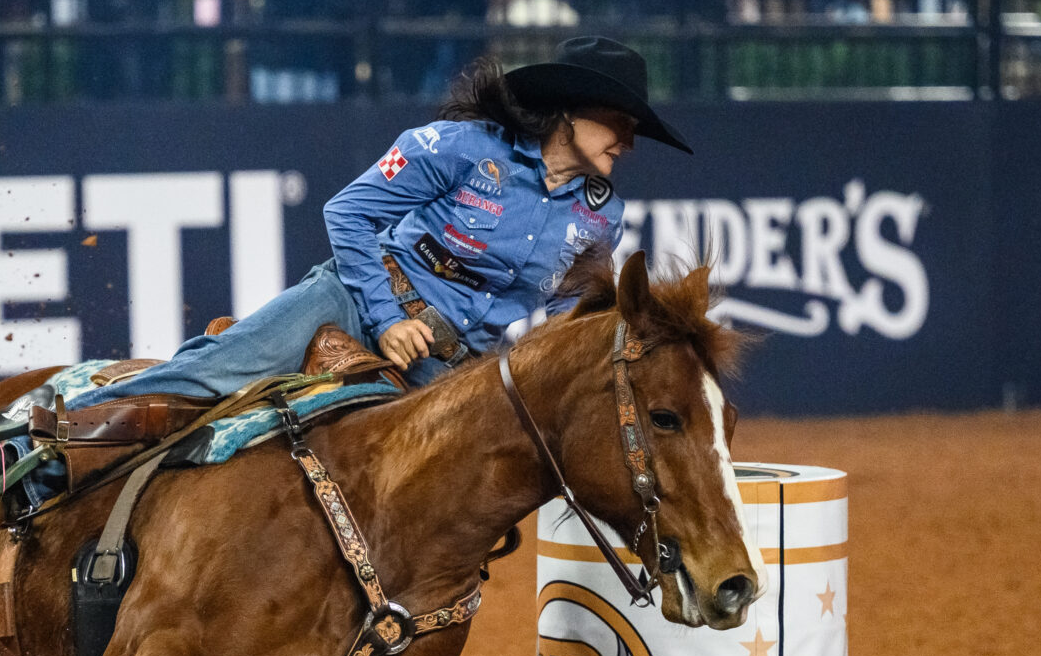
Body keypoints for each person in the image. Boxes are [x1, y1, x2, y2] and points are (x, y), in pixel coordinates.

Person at [63, 36, 685, 413]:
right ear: (571, 113)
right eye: (621, 123)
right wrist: (388, 320)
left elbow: (569, 316)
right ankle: (50, 439)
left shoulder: (602, 214)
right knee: (218, 371)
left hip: (457, 363)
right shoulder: (462, 147)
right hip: (356, 300)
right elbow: (348, 211)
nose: (630, 142)